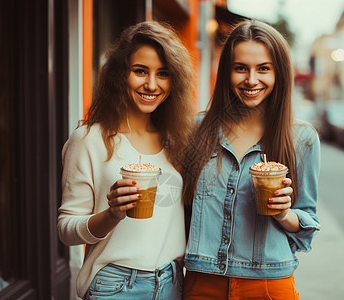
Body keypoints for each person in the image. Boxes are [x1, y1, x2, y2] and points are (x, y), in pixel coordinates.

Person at [180, 20, 320, 299]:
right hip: (202, 282)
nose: (251, 80)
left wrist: (284, 213)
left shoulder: (302, 139)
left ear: (279, 73)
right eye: (240, 68)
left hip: (268, 285)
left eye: (263, 68)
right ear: (226, 72)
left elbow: (308, 222)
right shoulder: (195, 131)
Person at [58, 21, 194, 299]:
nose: (152, 84)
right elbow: (66, 230)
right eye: (140, 71)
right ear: (120, 75)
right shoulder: (89, 140)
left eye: (163, 73)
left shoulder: (177, 140)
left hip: (172, 282)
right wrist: (111, 214)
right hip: (116, 285)